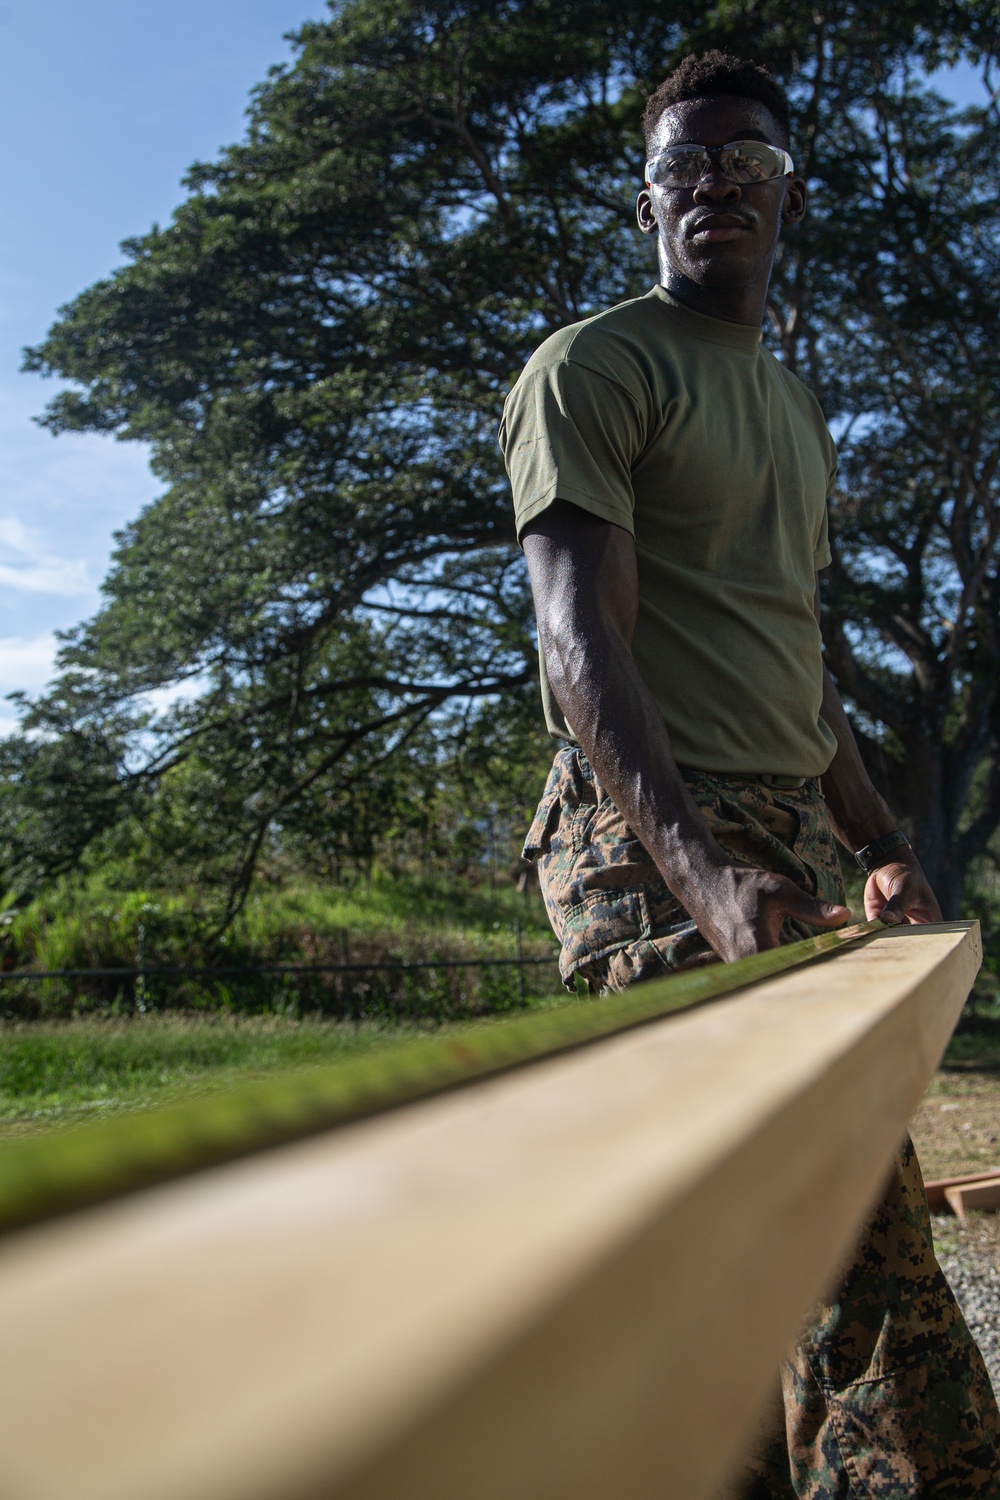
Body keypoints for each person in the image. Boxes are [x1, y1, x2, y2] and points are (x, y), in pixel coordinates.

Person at [499, 48, 1000, 1499]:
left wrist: (879, 837)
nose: (719, 182)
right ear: (648, 200)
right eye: (687, 165)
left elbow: (796, 658)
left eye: (750, 164)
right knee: (834, 1221)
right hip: (644, 838)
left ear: (791, 198)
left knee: (759, 1241)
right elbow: (581, 643)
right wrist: (704, 874)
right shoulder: (591, 369)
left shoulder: (790, 407)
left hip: (780, 834)